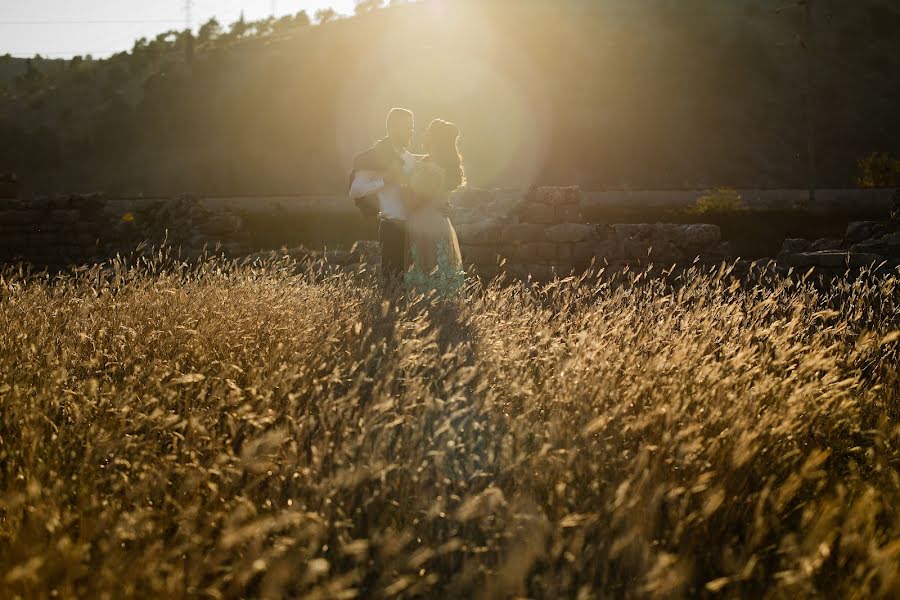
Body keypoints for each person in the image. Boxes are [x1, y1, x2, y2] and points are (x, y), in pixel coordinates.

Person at [349, 108, 417, 281]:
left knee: (412, 283)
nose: (412, 131)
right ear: (394, 128)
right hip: (391, 228)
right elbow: (355, 191)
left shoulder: (411, 159)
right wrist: (384, 180)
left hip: (415, 231)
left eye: (412, 127)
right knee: (392, 282)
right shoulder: (375, 157)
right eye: (407, 127)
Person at [402, 119, 466, 297]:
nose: (423, 135)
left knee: (430, 274)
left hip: (427, 226)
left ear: (434, 140)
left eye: (427, 132)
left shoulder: (432, 171)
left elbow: (412, 203)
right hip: (433, 222)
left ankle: (432, 314)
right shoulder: (435, 164)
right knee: (434, 273)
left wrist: (400, 183)